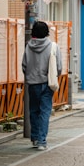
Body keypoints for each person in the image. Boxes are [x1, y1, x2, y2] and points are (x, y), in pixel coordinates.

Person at [22, 21, 62, 150]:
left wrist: (30, 76)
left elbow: (24, 65)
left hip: (32, 83)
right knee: (45, 112)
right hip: (47, 83)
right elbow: (59, 67)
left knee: (33, 111)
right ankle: (41, 141)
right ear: (46, 32)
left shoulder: (28, 46)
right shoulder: (53, 46)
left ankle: (34, 138)